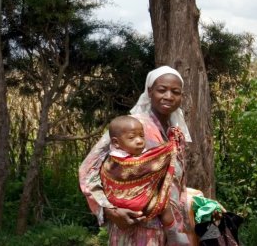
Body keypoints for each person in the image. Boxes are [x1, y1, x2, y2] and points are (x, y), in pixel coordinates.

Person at [79, 65, 196, 245]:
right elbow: (89, 168)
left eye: (176, 92)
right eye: (162, 90)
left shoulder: (175, 133)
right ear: (150, 92)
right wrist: (109, 210)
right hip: (135, 225)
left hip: (169, 228)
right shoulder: (133, 127)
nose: (168, 96)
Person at [100, 115, 189, 245]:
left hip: (147, 226)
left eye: (142, 136)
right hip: (126, 219)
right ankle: (173, 231)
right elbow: (110, 178)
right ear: (116, 142)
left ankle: (172, 231)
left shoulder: (142, 156)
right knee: (163, 203)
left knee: (164, 203)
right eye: (132, 137)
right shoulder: (115, 161)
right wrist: (169, 148)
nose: (139, 141)